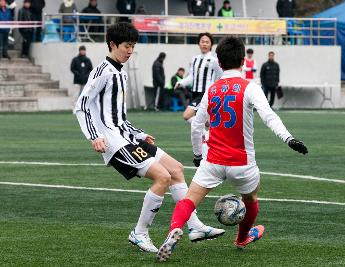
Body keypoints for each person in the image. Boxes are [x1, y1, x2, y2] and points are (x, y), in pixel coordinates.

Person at [74, 22, 224, 253]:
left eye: (133, 46)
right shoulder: (102, 71)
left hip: (127, 137)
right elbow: (81, 105)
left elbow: (118, 117)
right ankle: (139, 233)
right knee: (162, 177)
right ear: (112, 44)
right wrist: (94, 136)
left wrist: (139, 133)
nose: (130, 51)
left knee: (175, 169)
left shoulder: (120, 73)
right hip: (114, 143)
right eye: (127, 46)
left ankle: (195, 226)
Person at [156, 36, 308, 262]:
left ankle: (173, 231)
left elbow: (197, 126)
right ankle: (241, 238)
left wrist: (198, 154)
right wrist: (289, 138)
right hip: (242, 163)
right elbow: (269, 116)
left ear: (218, 62)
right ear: (244, 61)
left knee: (189, 199)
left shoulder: (212, 89)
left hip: (213, 160)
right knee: (251, 199)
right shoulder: (250, 88)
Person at [175, 32, 223, 124]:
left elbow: (222, 75)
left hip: (205, 94)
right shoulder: (195, 59)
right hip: (194, 93)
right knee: (206, 122)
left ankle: (205, 136)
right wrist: (180, 82)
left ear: (211, 45)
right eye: (202, 41)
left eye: (207, 42)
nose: (204, 44)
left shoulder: (214, 60)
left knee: (187, 115)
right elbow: (191, 77)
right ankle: (209, 135)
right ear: (199, 43)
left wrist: (216, 89)